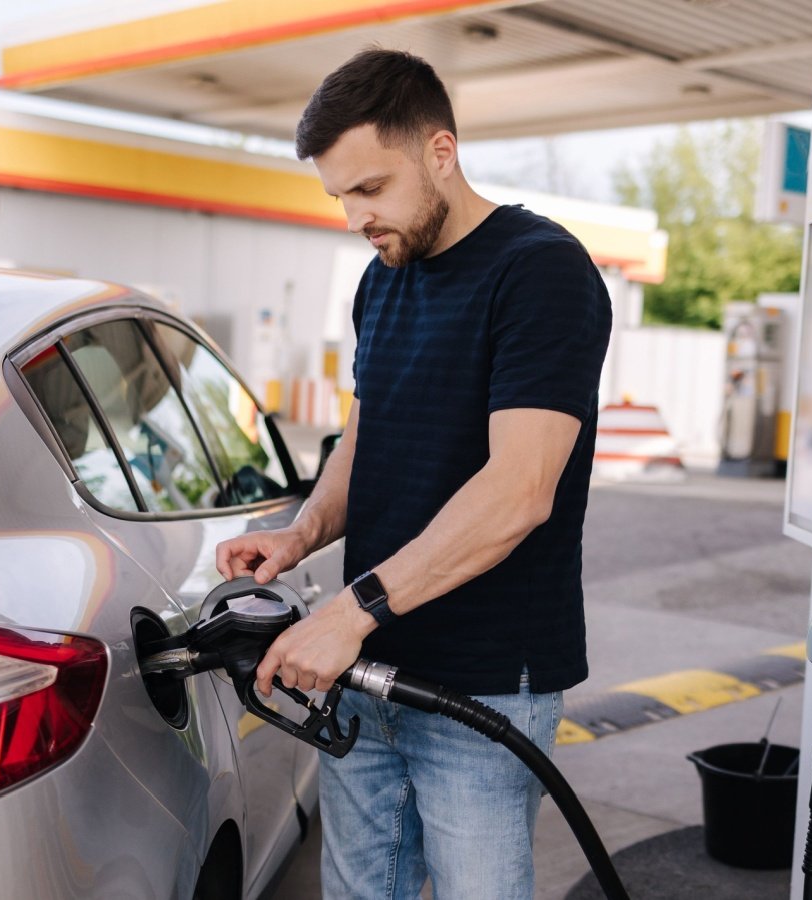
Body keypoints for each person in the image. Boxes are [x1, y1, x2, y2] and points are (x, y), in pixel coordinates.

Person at [213, 48, 612, 900]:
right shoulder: (380, 281)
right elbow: (366, 441)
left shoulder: (538, 271)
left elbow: (519, 491)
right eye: (341, 197)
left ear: (441, 152)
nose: (357, 215)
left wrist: (349, 612)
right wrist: (303, 530)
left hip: (484, 687)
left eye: (371, 189)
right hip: (366, 673)